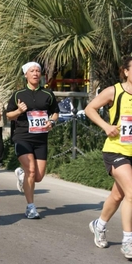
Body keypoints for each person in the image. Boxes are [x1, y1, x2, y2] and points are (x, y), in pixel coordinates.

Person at [85, 56, 132, 258]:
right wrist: (105, 126)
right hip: (116, 149)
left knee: (118, 195)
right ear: (126, 71)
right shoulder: (115, 91)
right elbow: (89, 109)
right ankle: (128, 241)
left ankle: (99, 224)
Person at [6, 61, 59, 219]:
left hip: (41, 138)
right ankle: (30, 207)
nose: (36, 73)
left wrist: (52, 121)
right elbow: (8, 115)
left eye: (38, 71)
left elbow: (55, 112)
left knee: (39, 176)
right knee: (31, 171)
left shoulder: (48, 94)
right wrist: (18, 111)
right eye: (32, 71)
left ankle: (21, 173)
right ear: (26, 75)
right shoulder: (18, 94)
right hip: (22, 137)